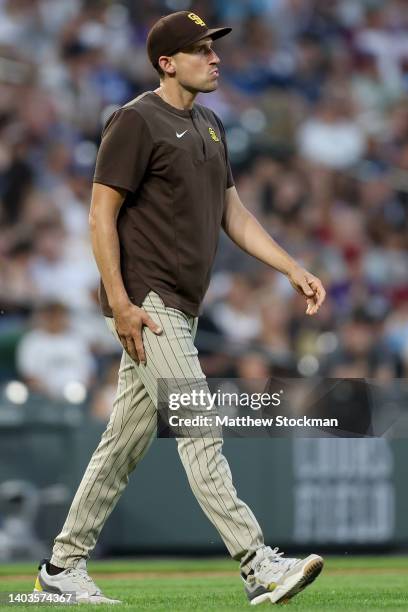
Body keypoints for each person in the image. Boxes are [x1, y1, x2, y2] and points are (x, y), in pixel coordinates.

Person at [33, 11, 326, 606]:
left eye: (213, 48)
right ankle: (256, 563)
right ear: (167, 62)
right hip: (149, 303)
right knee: (200, 424)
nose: (214, 57)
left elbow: (234, 214)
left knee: (123, 444)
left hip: (179, 309)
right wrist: (119, 302)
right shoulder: (136, 120)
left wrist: (291, 266)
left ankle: (61, 568)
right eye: (199, 50)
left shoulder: (212, 125)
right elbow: (100, 214)